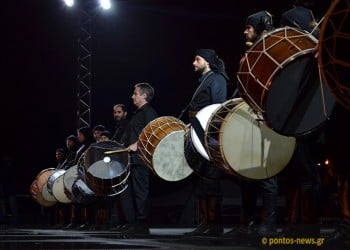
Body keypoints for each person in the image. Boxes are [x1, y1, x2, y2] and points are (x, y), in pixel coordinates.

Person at [226, 10, 280, 237]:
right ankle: (247, 221)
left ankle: (268, 224)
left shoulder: (272, 53)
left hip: (267, 121)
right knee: (246, 174)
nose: (245, 30)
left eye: (249, 27)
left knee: (267, 175)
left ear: (261, 29)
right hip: (249, 121)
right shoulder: (250, 55)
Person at [184, 49, 229, 236]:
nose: (194, 63)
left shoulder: (217, 79)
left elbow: (217, 108)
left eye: (197, 59)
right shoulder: (203, 81)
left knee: (211, 179)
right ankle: (204, 223)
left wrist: (208, 134)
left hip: (209, 135)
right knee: (201, 180)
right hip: (197, 133)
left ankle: (214, 223)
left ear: (208, 62)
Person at [115, 83, 158, 234]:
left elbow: (153, 133)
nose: (132, 96)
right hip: (131, 159)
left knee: (141, 192)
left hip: (141, 158)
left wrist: (136, 144)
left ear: (144, 95)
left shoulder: (149, 112)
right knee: (132, 192)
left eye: (135, 94)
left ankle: (143, 223)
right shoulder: (137, 113)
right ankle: (133, 222)